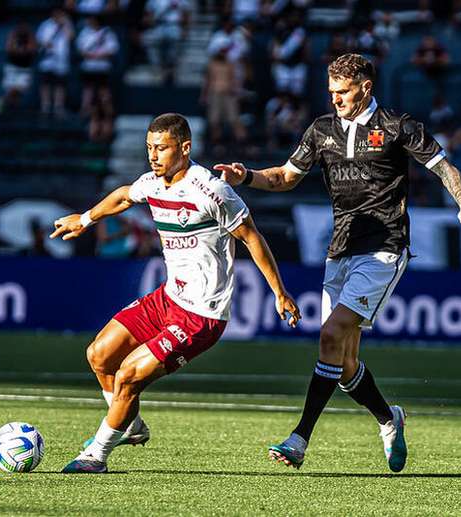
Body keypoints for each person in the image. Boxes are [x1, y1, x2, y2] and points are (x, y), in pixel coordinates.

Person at [214, 53, 461, 473]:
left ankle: (299, 438)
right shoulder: (321, 130)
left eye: (343, 91)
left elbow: (444, 166)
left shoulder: (398, 126)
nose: (336, 99)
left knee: (330, 334)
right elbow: (285, 178)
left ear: (365, 87)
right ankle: (389, 418)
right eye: (331, 92)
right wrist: (247, 176)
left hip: (385, 247)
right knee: (343, 362)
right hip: (340, 249)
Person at [50, 113, 301, 473]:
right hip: (168, 298)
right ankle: (130, 424)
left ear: (185, 148)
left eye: (162, 148)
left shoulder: (211, 190)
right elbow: (123, 197)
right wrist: (85, 219)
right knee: (99, 355)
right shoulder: (152, 182)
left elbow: (251, 237)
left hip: (202, 315)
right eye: (150, 148)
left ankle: (96, 456)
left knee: (127, 377)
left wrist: (280, 292)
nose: (154, 156)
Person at [36, 7, 75, 117]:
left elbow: (71, 37)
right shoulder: (45, 24)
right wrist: (46, 44)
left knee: (60, 84)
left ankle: (58, 106)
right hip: (47, 59)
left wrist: (64, 24)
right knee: (45, 83)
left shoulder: (67, 24)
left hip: (61, 59)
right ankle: (45, 106)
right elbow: (39, 41)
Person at [2, 23, 37, 111]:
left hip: (24, 68)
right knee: (10, 90)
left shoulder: (30, 38)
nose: (22, 31)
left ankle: (14, 108)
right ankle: (7, 107)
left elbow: (31, 51)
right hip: (12, 68)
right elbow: (9, 49)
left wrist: (22, 50)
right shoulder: (13, 36)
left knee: (20, 90)